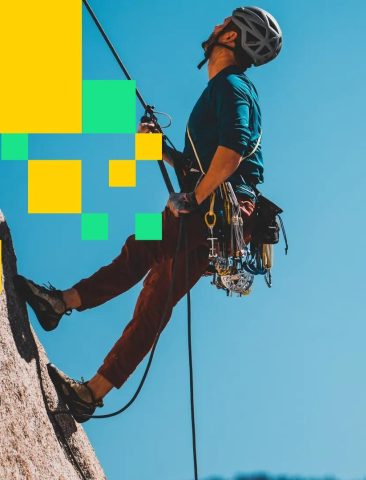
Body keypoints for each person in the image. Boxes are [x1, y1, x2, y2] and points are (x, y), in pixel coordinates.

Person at [14, 6, 282, 423]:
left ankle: (59, 303)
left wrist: (193, 198)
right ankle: (91, 394)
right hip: (225, 220)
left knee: (141, 247)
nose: (215, 25)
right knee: (156, 298)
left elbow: (233, 150)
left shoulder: (232, 86)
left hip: (216, 208)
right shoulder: (225, 88)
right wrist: (162, 150)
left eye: (224, 23)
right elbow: (206, 161)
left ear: (231, 37)